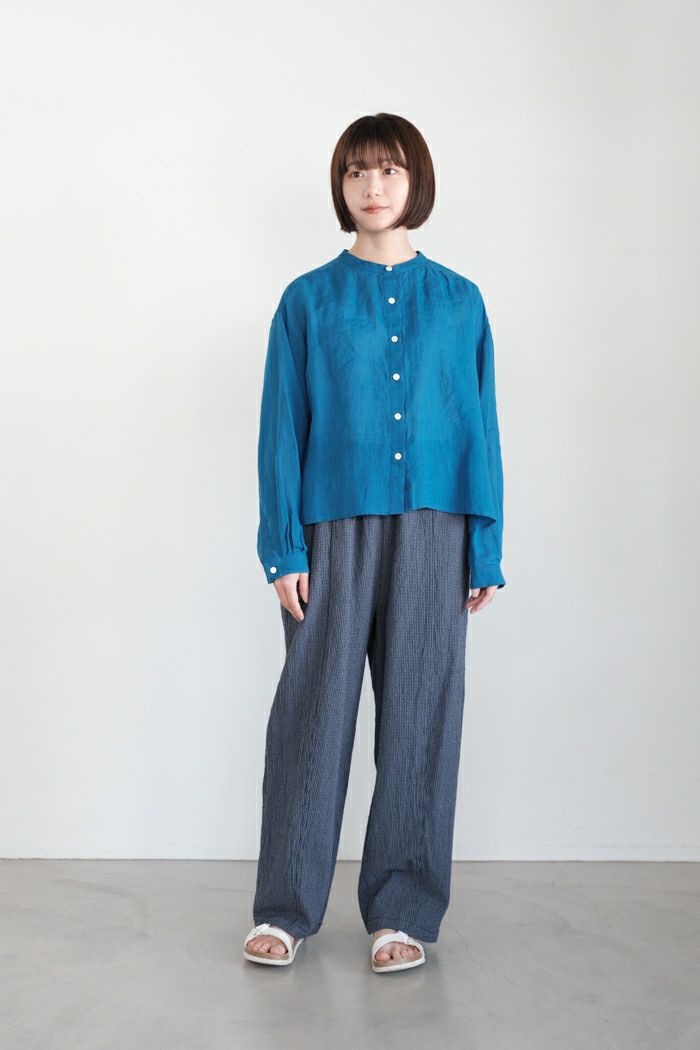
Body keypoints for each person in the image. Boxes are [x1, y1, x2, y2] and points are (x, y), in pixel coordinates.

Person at [243, 112, 506, 972]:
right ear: (341, 186)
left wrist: (486, 546)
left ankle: (402, 913)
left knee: (422, 718)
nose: (373, 186)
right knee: (313, 715)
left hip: (436, 528)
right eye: (357, 171)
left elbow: (480, 429)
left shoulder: (461, 301)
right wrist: (283, 546)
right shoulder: (306, 301)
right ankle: (286, 908)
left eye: (389, 169)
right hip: (330, 529)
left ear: (415, 181)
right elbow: (281, 428)